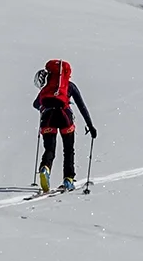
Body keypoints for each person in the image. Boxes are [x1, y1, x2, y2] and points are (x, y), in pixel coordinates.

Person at [33, 59, 96, 192]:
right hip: (65, 117)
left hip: (48, 118)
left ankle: (45, 168)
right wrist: (90, 126)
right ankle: (68, 179)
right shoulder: (69, 86)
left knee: (49, 149)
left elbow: (36, 104)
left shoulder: (47, 87)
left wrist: (44, 107)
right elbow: (82, 106)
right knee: (68, 150)